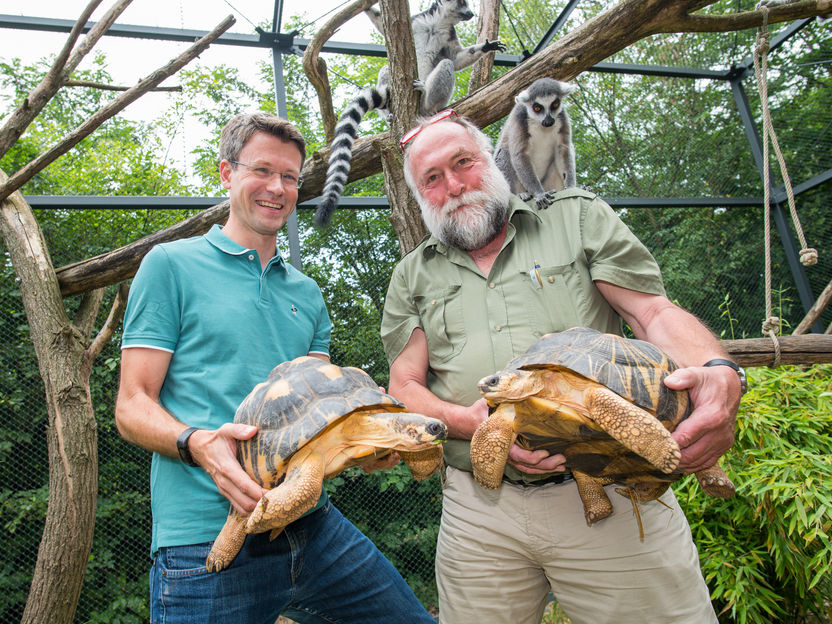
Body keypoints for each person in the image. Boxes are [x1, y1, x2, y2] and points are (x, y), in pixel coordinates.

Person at [381, 110, 744, 624]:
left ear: (493, 160)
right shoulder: (411, 274)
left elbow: (652, 311)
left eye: (463, 163)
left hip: (612, 488)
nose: (455, 186)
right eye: (432, 179)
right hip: (479, 513)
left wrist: (717, 369)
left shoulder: (573, 216)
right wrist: (476, 426)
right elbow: (404, 387)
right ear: (420, 198)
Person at [115, 111, 436, 624]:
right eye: (262, 170)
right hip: (203, 537)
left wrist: (364, 447)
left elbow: (319, 413)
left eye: (289, 176)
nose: (277, 188)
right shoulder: (170, 265)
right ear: (227, 173)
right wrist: (198, 444)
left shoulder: (305, 293)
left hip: (312, 524)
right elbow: (132, 406)